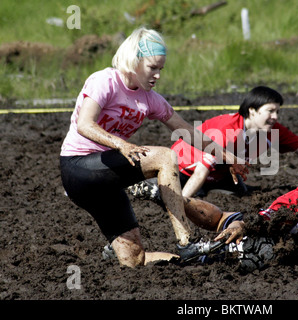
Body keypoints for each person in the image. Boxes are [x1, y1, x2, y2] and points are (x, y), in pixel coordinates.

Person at [59, 27, 248, 268]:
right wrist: (120, 144)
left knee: (134, 261)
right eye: (152, 68)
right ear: (134, 61)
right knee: (165, 157)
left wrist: (226, 155)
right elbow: (84, 124)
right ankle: (185, 243)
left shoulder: (150, 99)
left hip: (107, 183)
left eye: (161, 69)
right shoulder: (104, 81)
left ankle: (196, 257)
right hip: (78, 169)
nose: (158, 75)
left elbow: (185, 131)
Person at [150, 150, 298, 274]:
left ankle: (173, 201)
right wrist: (239, 228)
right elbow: (262, 220)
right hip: (251, 237)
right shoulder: (294, 205)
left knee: (225, 220)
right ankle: (172, 198)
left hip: (264, 242)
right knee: (219, 230)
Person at [130, 86, 298, 199]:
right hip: (185, 169)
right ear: (252, 110)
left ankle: (205, 190)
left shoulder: (272, 129)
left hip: (219, 173)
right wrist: (182, 204)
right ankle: (152, 185)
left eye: (277, 111)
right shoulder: (228, 131)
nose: (275, 116)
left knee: (241, 193)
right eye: (270, 111)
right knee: (166, 195)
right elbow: (201, 170)